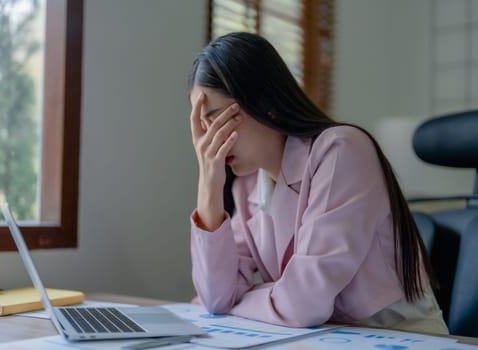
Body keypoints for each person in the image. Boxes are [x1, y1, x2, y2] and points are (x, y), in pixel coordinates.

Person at [187, 32, 448, 334]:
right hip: (323, 337)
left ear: (264, 101)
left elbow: (301, 304)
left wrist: (236, 303)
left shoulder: (341, 151)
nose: (209, 141)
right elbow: (216, 296)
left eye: (217, 120)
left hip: (398, 335)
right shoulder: (245, 185)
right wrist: (208, 186)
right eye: (202, 127)